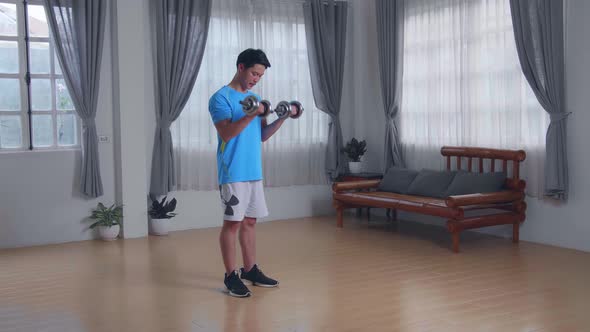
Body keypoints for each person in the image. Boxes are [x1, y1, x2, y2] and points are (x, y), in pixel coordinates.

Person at [208, 48, 296, 297]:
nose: (256, 79)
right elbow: (226, 133)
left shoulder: (255, 99)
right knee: (233, 224)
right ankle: (230, 275)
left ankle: (249, 270)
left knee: (250, 222)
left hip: (253, 171)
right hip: (232, 171)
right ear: (241, 67)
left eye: (260, 76)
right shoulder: (220, 98)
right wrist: (250, 114)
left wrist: (283, 118)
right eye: (254, 73)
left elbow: (262, 136)